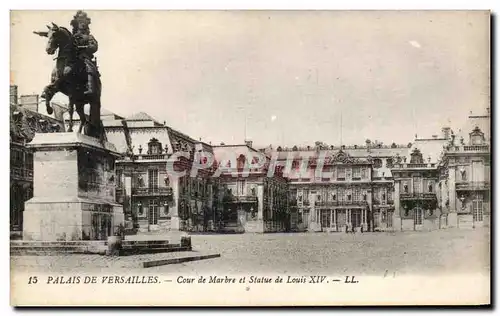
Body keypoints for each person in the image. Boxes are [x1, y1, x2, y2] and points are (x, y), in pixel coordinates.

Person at [70, 10, 99, 96]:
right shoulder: (72, 37)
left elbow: (94, 47)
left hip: (84, 57)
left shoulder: (89, 37)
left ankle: (90, 87)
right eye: (80, 21)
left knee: (89, 66)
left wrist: (85, 47)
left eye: (84, 22)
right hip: (73, 58)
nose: (82, 24)